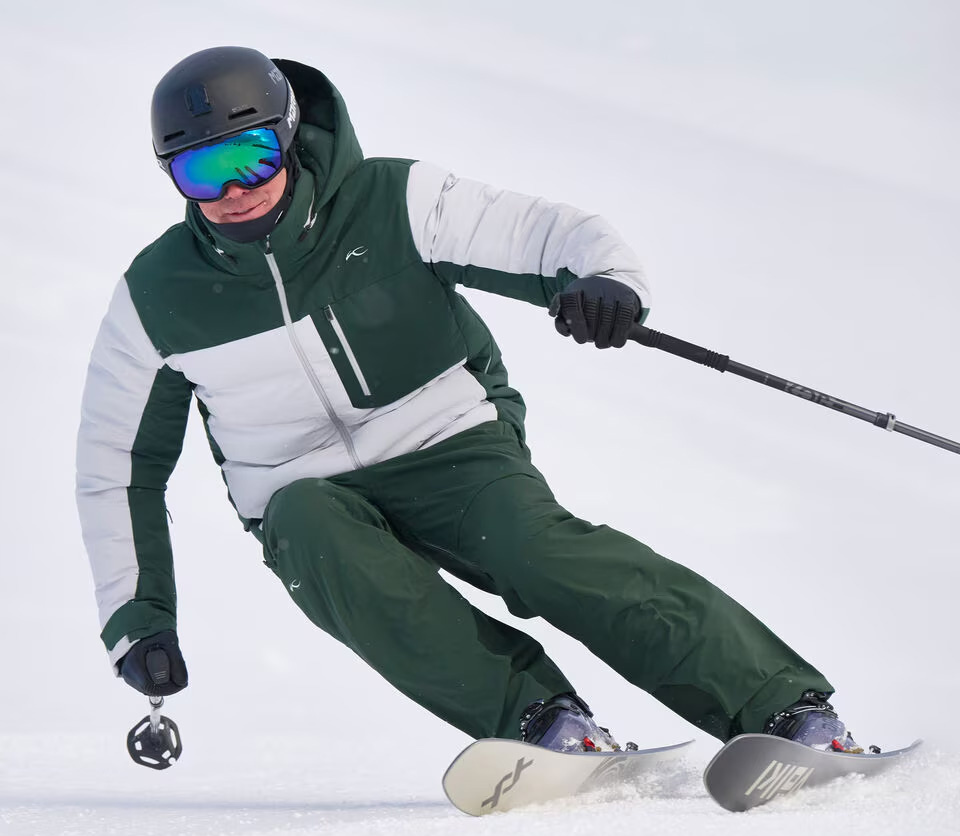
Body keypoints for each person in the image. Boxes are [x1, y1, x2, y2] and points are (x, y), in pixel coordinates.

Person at [77, 46, 864, 756]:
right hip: (302, 494)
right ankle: (542, 724)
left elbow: (544, 232)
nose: (233, 192)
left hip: (449, 444)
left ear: (285, 135)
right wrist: (136, 619)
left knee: (535, 550)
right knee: (317, 532)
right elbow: (116, 466)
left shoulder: (391, 200)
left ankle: (783, 710)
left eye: (250, 158)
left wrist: (605, 281)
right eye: (201, 173)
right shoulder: (156, 297)